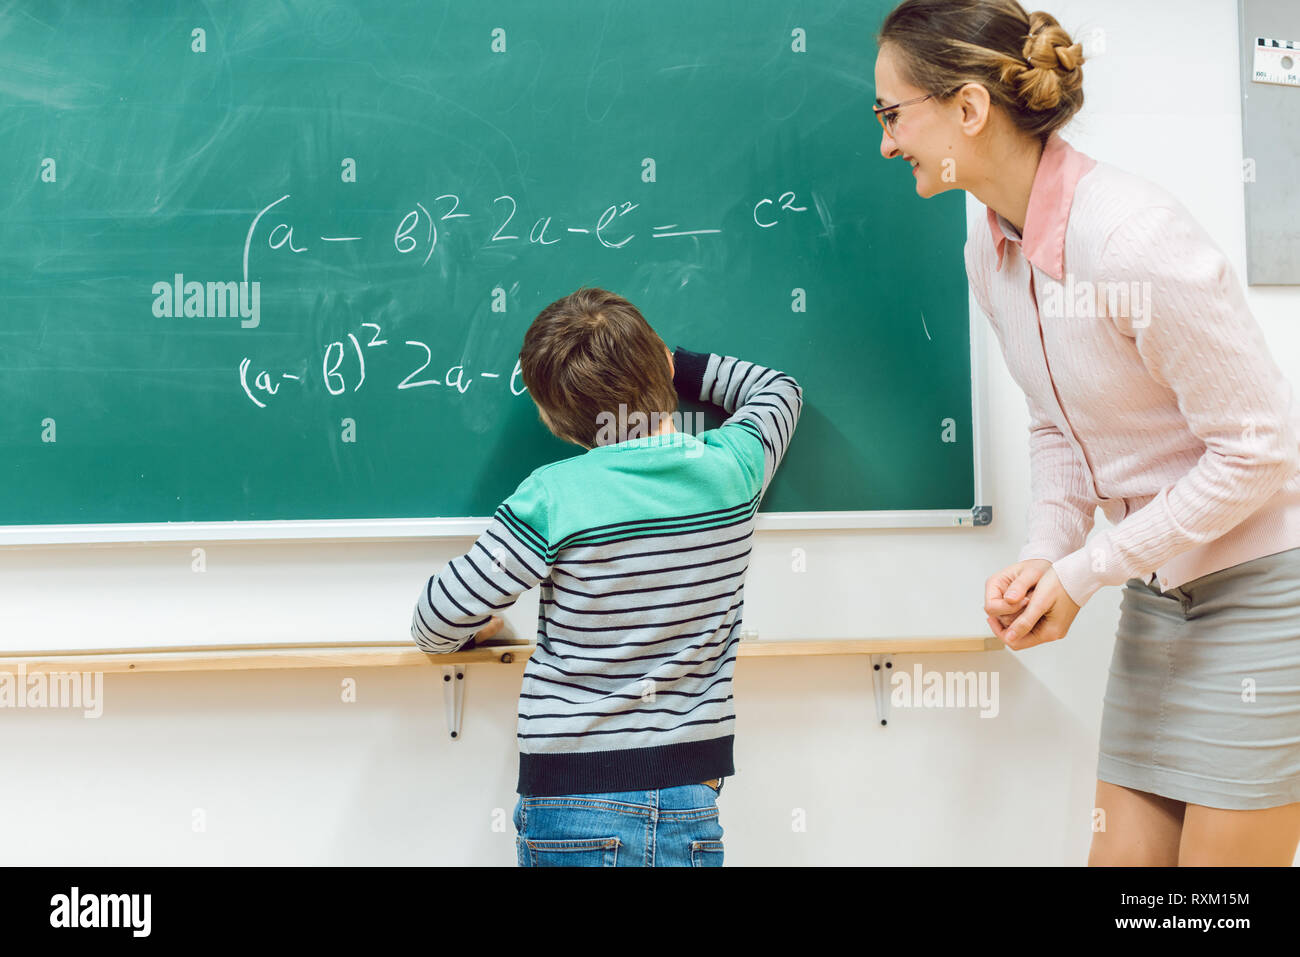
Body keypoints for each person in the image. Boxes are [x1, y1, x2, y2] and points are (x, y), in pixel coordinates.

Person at [875, 0, 1300, 865]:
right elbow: (1056, 420)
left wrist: (1086, 568)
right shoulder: (988, 243)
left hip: (1267, 595)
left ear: (967, 109)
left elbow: (1259, 450)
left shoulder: (1132, 235)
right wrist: (1046, 552)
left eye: (891, 113)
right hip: (1159, 597)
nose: (885, 143)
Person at [410, 287, 803, 866]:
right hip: (690, 800)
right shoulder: (732, 469)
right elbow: (779, 390)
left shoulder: (554, 496)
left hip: (569, 801)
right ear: (660, 367)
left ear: (554, 420)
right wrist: (680, 366)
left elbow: (435, 620)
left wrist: (481, 629)